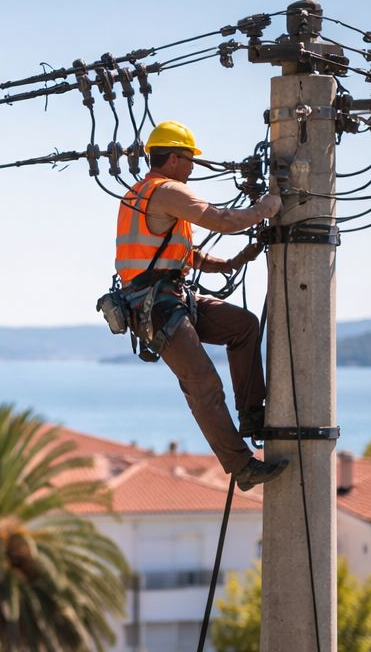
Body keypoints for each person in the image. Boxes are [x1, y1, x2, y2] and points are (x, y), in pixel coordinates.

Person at [116, 120, 288, 491]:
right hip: (158, 307)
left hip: (169, 297)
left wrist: (228, 263)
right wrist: (270, 205)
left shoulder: (140, 195)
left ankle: (252, 414)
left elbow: (177, 252)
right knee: (203, 384)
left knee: (243, 325)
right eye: (190, 159)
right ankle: (241, 467)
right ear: (174, 158)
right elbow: (223, 220)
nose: (193, 166)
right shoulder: (166, 191)